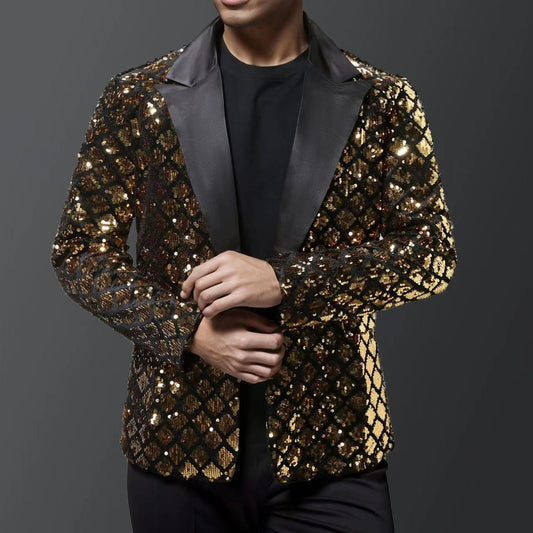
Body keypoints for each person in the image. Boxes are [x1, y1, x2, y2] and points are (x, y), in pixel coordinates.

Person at [50, 0, 458, 531]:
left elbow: (430, 254)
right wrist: (188, 332)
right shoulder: (137, 95)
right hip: (179, 457)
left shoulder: (384, 99)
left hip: (333, 455)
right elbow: (80, 252)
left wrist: (285, 282)